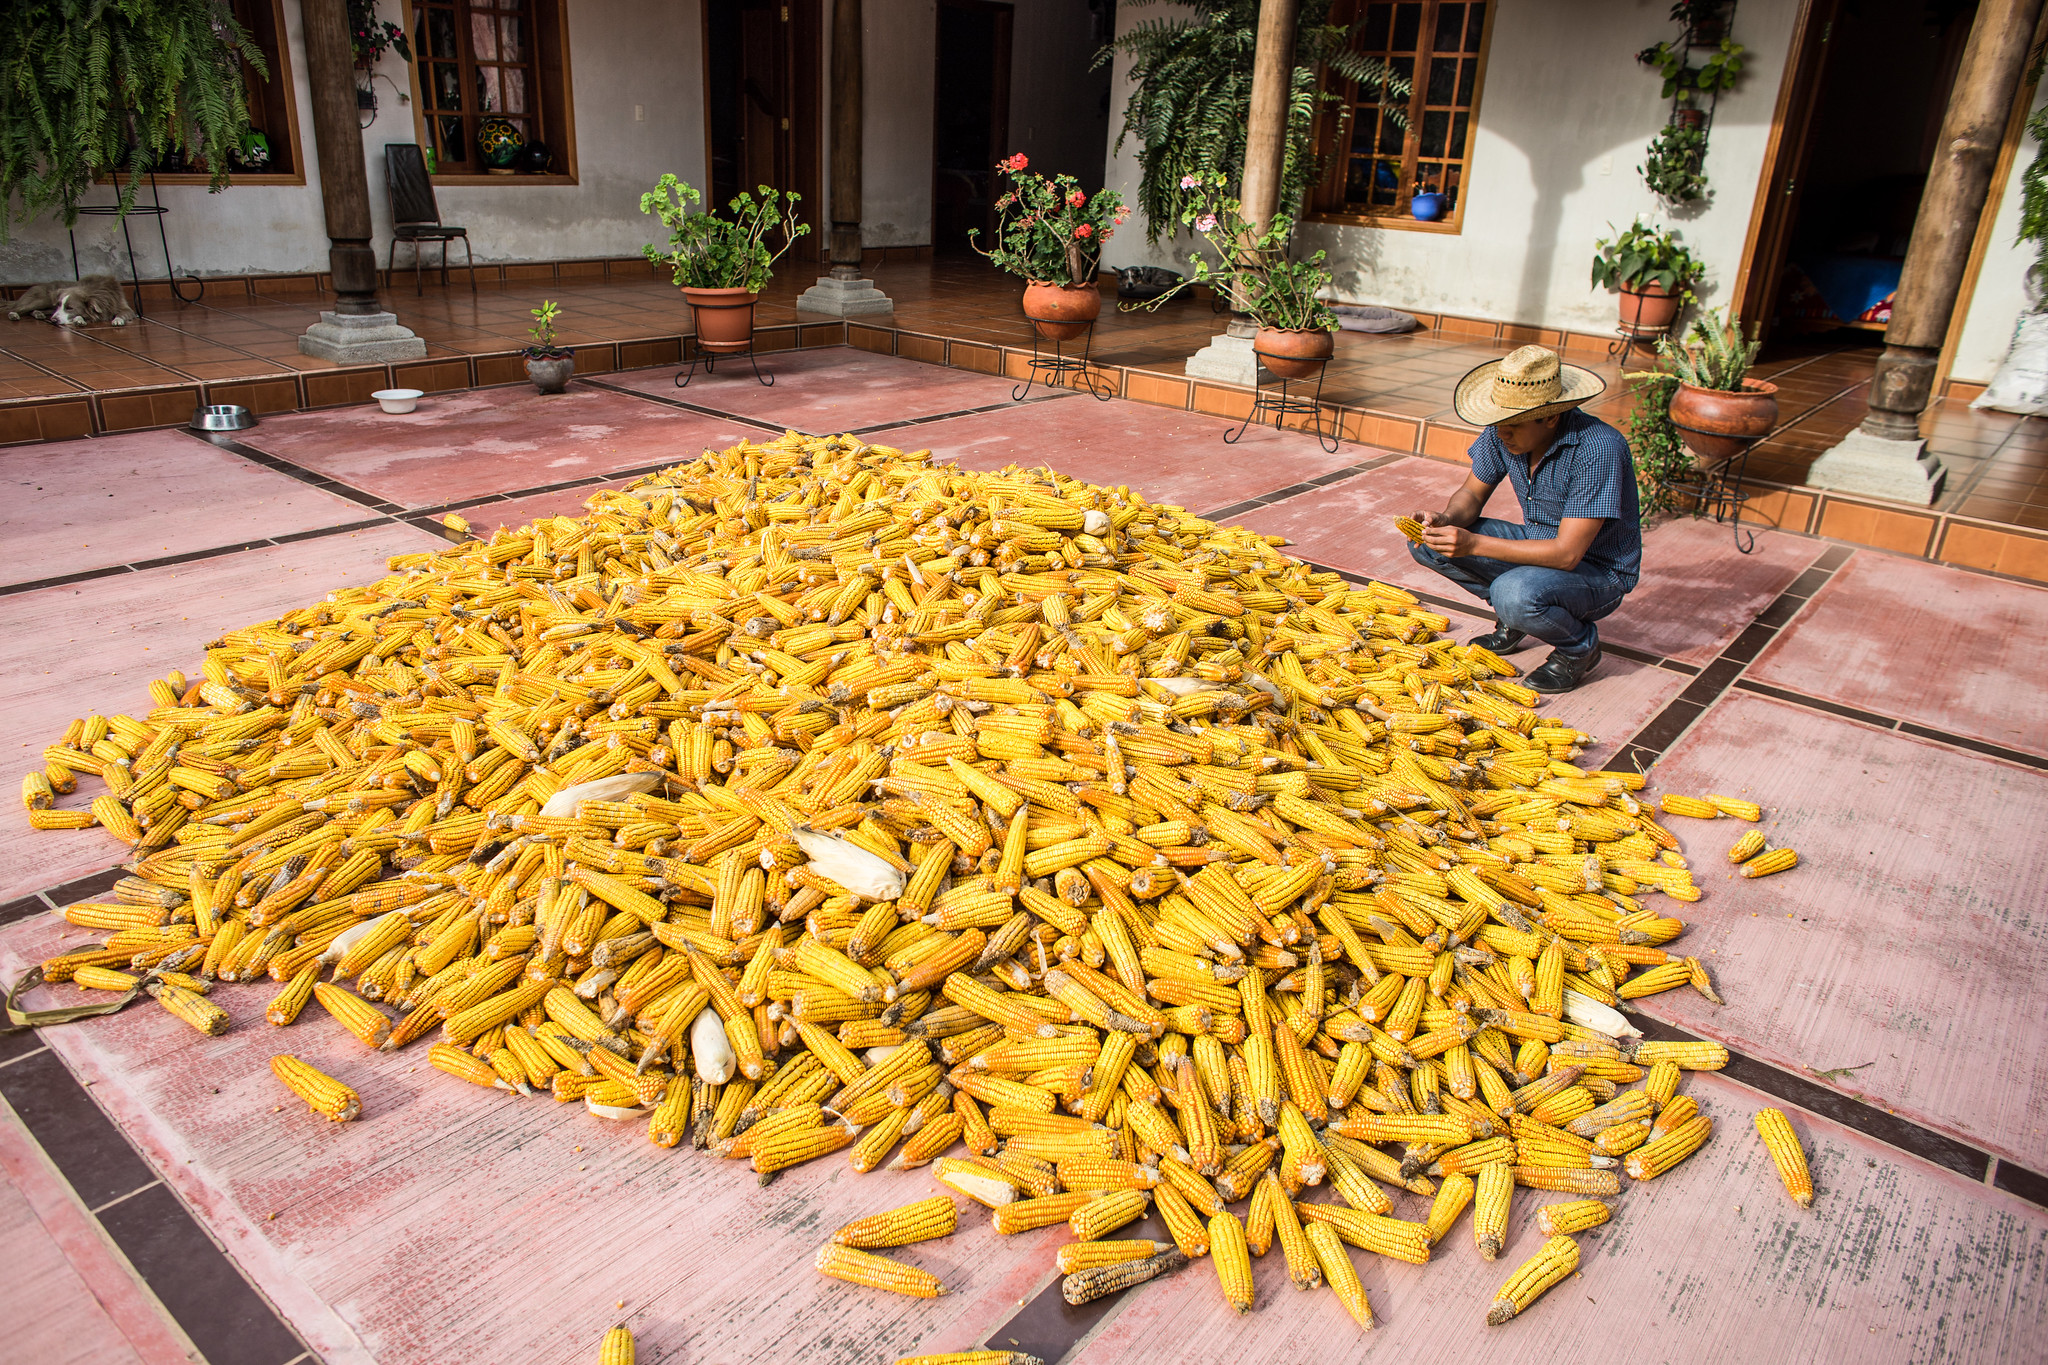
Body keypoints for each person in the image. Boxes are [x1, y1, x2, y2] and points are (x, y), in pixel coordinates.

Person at [1406, 345, 1640, 694]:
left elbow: (1566, 555)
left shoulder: (1598, 449)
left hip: (1597, 572)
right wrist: (1446, 518)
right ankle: (1514, 616)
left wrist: (1472, 544)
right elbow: (1471, 494)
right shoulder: (1505, 431)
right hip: (1538, 544)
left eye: (1512, 425)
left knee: (1513, 593)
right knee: (1428, 544)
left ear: (1550, 417)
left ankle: (1579, 648)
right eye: (1498, 424)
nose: (1502, 433)